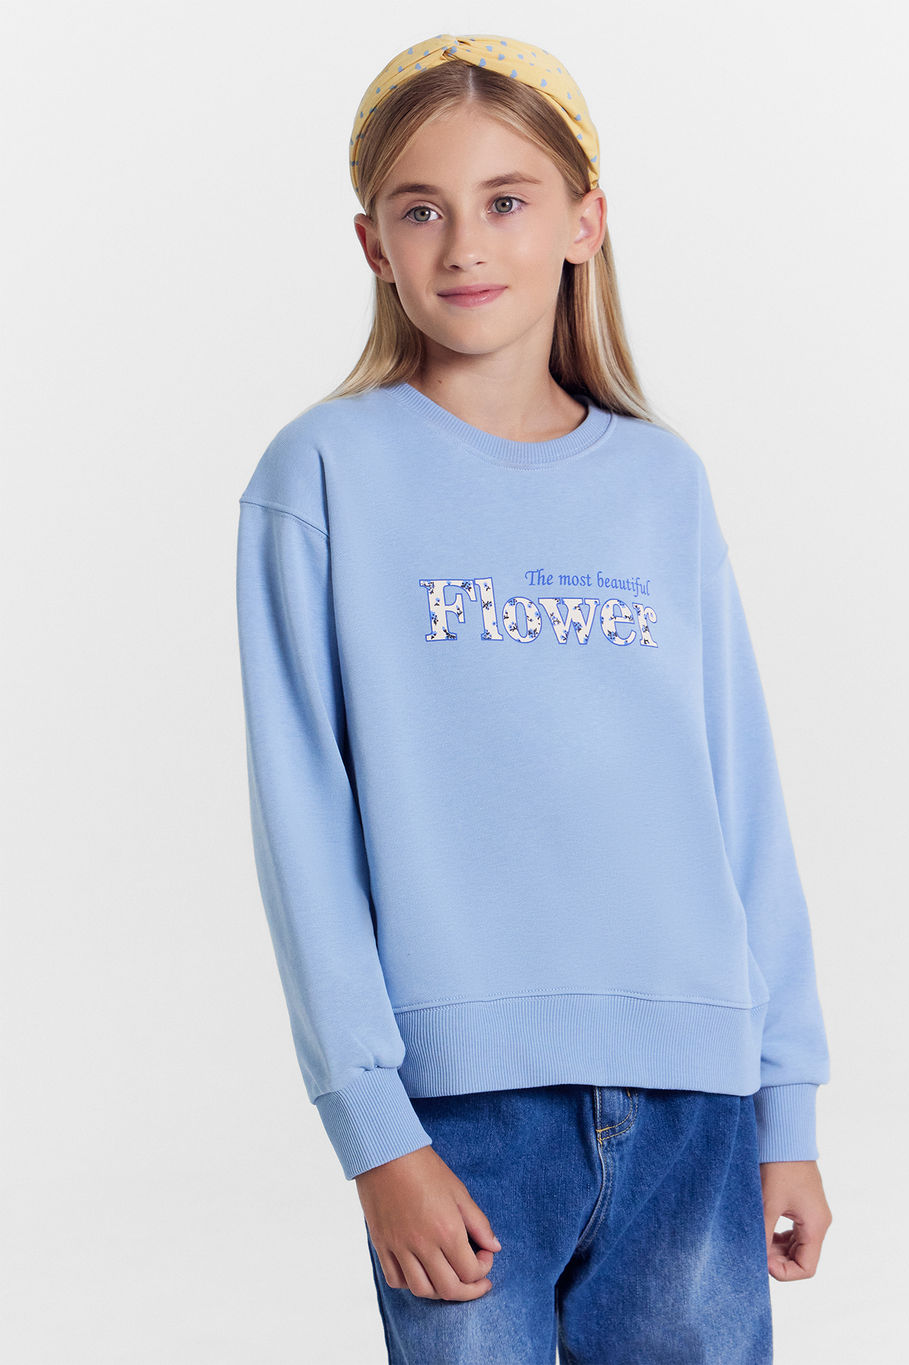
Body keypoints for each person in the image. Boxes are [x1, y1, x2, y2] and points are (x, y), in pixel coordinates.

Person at [235, 31, 832, 1365]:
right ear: (372, 243)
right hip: (460, 1116)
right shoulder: (322, 474)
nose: (465, 244)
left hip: (696, 1102)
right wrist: (376, 1132)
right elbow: (302, 827)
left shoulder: (664, 484)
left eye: (506, 199)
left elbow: (742, 800)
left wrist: (784, 1103)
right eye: (421, 210)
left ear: (584, 222)